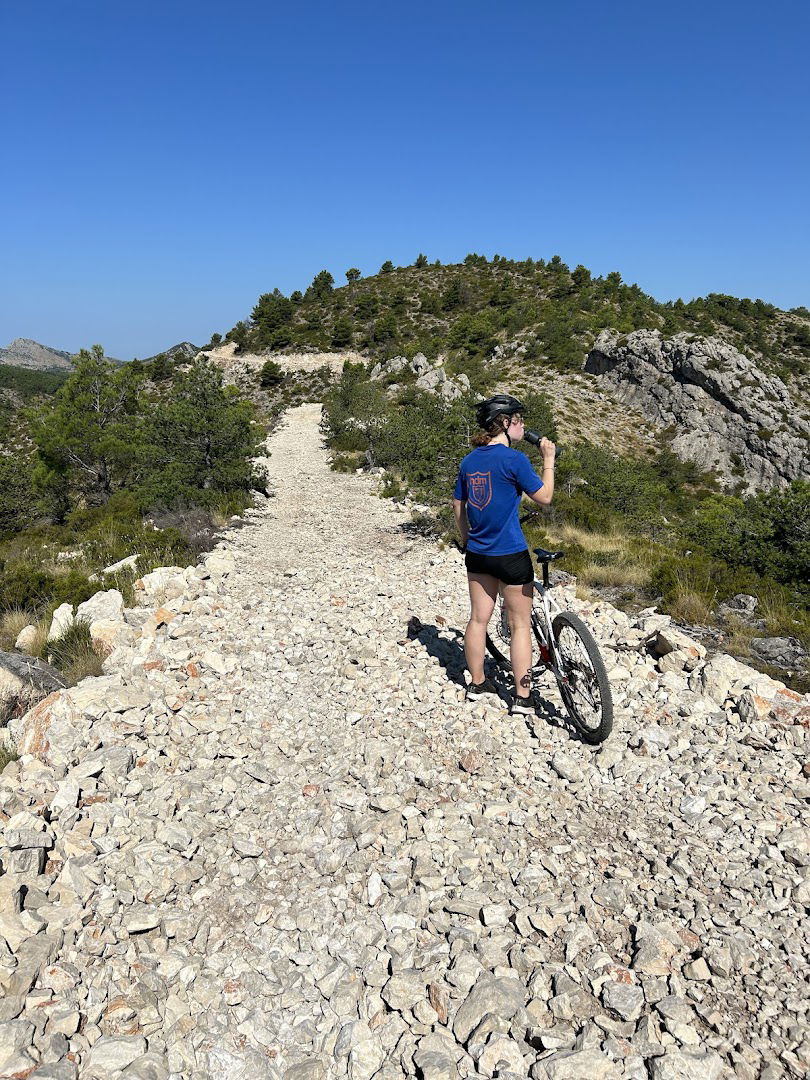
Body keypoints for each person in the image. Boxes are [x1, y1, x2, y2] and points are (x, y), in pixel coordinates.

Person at [452, 394, 556, 714]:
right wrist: (548, 459)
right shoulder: (515, 461)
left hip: (479, 555)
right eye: (519, 419)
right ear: (506, 423)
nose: (523, 424)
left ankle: (478, 683)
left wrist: (469, 539)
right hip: (510, 553)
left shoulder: (469, 461)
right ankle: (523, 698)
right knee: (521, 625)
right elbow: (545, 497)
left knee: (478, 619)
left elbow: (459, 507)